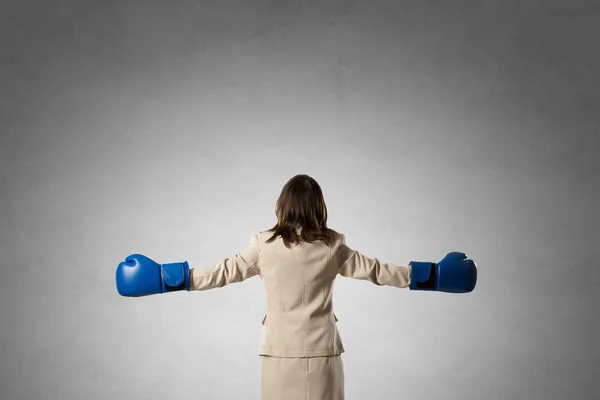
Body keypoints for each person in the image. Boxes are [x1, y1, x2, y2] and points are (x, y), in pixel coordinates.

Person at [116, 174, 478, 400]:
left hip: (278, 355)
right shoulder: (333, 246)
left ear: (282, 206)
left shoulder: (263, 245)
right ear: (318, 206)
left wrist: (165, 278)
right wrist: (434, 275)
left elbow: (219, 274)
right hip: (322, 353)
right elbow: (380, 272)